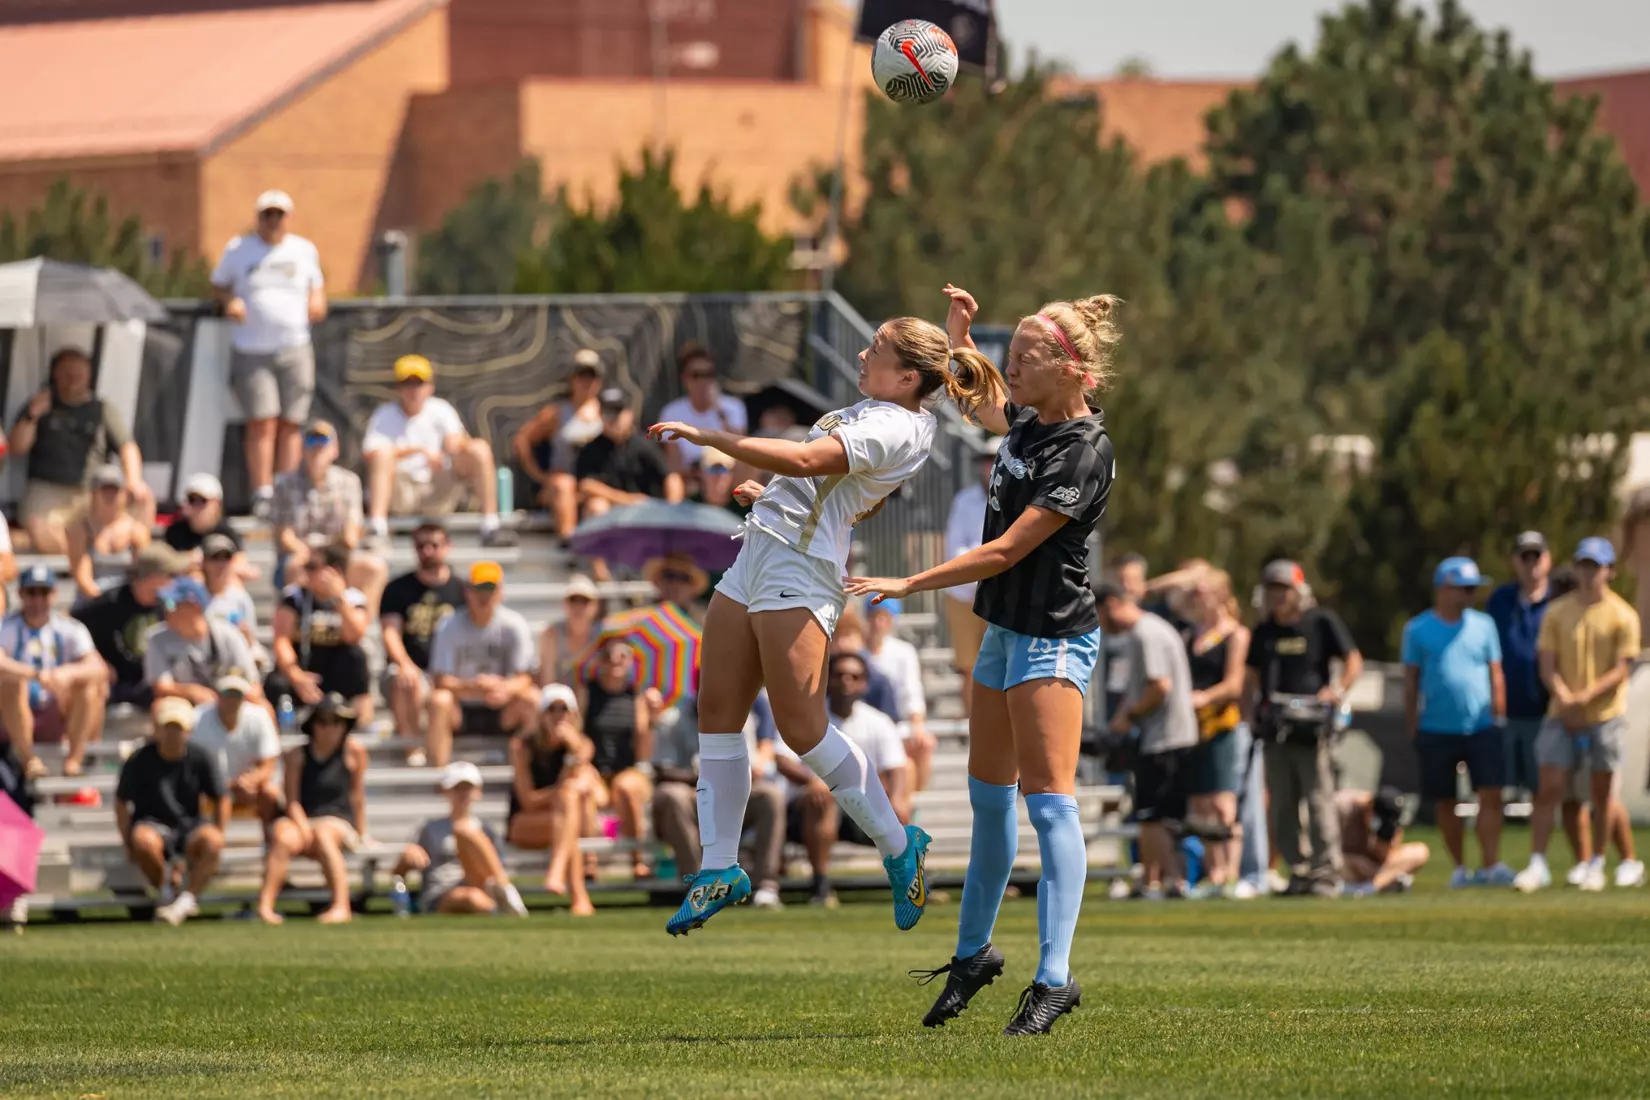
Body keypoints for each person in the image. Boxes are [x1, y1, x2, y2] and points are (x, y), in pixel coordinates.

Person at [648, 298, 1001, 941]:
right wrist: (771, 494)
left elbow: (811, 462)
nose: (863, 354)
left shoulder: (897, 425)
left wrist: (715, 440)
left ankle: (899, 845)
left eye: (877, 350)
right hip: (760, 549)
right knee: (717, 710)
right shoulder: (883, 409)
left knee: (803, 730)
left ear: (906, 379)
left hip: (800, 570)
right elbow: (830, 489)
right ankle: (720, 869)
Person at [847, 284, 1114, 1036]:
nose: (1013, 366)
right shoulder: (1031, 419)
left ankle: (1055, 979)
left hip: (1053, 637)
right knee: (989, 800)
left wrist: (911, 580)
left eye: (1026, 356)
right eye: (1012, 353)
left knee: (1050, 802)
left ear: (1070, 369)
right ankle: (974, 956)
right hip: (1003, 635)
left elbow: (1004, 550)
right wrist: (960, 339)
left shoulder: (1084, 448)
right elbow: (985, 404)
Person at [1516, 537, 1645, 892]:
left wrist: (1585, 697)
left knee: (1602, 794)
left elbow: (1622, 668)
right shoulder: (1558, 612)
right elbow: (1547, 664)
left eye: (1595, 566)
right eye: (1583, 565)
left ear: (1610, 572)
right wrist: (1565, 698)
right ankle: (1538, 863)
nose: (1588, 573)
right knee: (1551, 788)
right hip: (1561, 714)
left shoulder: (1623, 615)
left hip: (1605, 715)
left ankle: (1598, 863)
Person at [1485, 531, 1605, 880]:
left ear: (1548, 560)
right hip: (1509, 713)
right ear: (1515, 562)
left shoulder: (1563, 600)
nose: (1532, 563)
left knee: (1564, 793)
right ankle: (1519, 865)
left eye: (1537, 556)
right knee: (1511, 792)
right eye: (1525, 556)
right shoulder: (1500, 601)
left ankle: (1583, 863)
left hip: (1551, 712)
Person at [1246, 558, 1362, 897]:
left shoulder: (1321, 622)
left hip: (1312, 727)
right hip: (1275, 727)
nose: (1279, 596)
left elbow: (1353, 659)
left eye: (1284, 589)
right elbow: (1250, 678)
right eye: (1272, 590)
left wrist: (1337, 691)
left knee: (1318, 800)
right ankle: (1299, 871)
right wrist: (1249, 714)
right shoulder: (1264, 631)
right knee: (1282, 803)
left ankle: (1326, 872)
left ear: (1299, 591)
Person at [211, 188, 327, 513]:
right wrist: (229, 301)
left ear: (288, 218)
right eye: (267, 215)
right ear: (258, 217)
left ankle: (286, 486)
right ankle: (262, 490)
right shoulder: (238, 249)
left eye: (279, 215)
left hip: (295, 345)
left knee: (292, 421)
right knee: (262, 420)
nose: (273, 221)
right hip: (252, 347)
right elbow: (218, 285)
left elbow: (317, 288)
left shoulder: (303, 250)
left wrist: (317, 300)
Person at [1402, 557, 1512, 888]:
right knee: (1445, 801)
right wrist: (1413, 726)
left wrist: (1498, 716)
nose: (1470, 595)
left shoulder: (1484, 625)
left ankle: (1491, 864)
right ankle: (1460, 868)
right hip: (1436, 728)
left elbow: (1496, 673)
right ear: (1443, 589)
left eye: (1473, 589)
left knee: (1490, 794)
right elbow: (1410, 681)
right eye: (1464, 588)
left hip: (1481, 727)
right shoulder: (1417, 630)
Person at [783, 651, 912, 906]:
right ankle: (820, 886)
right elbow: (781, 758)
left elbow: (896, 767)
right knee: (824, 798)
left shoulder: (878, 722)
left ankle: (908, 883)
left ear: (864, 683)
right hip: (810, 807)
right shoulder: (808, 716)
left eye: (854, 676)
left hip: (861, 807)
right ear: (827, 678)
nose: (846, 682)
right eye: (840, 675)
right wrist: (811, 781)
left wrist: (898, 800)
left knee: (897, 809)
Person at [1098, 580, 1199, 899]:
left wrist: (1131, 716)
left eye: (1098, 614)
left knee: (1152, 815)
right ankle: (1151, 881)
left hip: (1166, 736)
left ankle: (1174, 881)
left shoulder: (1146, 634)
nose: (1099, 623)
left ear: (1112, 603)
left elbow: (1159, 686)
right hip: (1162, 736)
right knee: (1152, 814)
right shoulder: (1146, 631)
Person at [362, 354, 517, 548]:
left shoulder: (441, 410)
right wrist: (419, 451)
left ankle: (491, 526)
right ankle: (377, 529)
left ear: (430, 386)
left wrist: (457, 445)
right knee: (382, 456)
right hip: (402, 492)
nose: (413, 390)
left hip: (437, 487)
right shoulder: (383, 414)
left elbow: (457, 442)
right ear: (398, 387)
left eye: (418, 383)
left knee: (480, 449)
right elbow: (370, 453)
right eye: (407, 383)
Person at [7, 346, 152, 553]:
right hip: (47, 490)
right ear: (54, 375)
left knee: (144, 502)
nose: (73, 379)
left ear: (89, 375)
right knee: (37, 527)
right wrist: (33, 414)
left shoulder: (102, 410)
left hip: (91, 491)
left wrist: (134, 480)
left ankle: (138, 563)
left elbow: (127, 446)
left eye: (79, 373)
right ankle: (81, 558)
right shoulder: (39, 406)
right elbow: (17, 447)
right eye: (67, 373)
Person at [653, 691, 787, 909]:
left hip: (732, 793)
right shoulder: (672, 718)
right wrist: (700, 774)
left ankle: (766, 887)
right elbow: (662, 771)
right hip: (692, 793)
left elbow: (752, 768)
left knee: (770, 795)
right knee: (671, 794)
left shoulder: (742, 716)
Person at [114, 696, 228, 926]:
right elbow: (121, 801)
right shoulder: (140, 759)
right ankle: (166, 890)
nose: (173, 734)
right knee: (143, 840)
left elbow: (221, 797)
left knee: (213, 841)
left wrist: (220, 830)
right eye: (169, 727)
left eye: (178, 728)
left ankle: (187, 900)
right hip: (151, 823)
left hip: (190, 826)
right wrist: (127, 840)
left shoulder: (200, 757)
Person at [256, 693, 367, 924]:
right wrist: (303, 827)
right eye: (323, 721)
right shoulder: (296, 756)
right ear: (313, 725)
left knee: (324, 834)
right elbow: (292, 800)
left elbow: (357, 796)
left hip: (338, 821)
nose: (330, 728)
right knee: (283, 836)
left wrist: (362, 832)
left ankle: (341, 905)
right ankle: (265, 906)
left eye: (337, 722)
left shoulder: (354, 752)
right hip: (303, 819)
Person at [424, 561, 538, 767]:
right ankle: (439, 775)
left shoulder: (514, 625)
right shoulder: (449, 625)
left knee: (532, 699)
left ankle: (533, 774)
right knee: (439, 701)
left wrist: (504, 688)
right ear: (468, 592)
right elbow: (439, 680)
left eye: (490, 589)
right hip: (461, 708)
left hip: (502, 710)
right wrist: (474, 687)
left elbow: (525, 677)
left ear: (501, 592)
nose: (484, 596)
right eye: (479, 589)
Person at [0, 564, 107, 778]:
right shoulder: (6, 627)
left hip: (57, 710)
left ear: (54, 594)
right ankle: (29, 759)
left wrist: (66, 674)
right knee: (10, 683)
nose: (37, 600)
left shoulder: (70, 628)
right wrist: (35, 674)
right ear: (20, 594)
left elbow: (97, 668)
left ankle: (74, 760)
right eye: (31, 593)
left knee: (89, 687)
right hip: (14, 714)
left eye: (44, 592)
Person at [1180, 567, 1250, 892]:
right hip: (1192, 729)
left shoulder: (1234, 633)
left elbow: (1234, 684)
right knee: (1201, 805)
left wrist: (1204, 697)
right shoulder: (1189, 633)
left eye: (1202, 591)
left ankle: (1231, 873)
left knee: (1223, 803)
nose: (1196, 597)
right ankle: (1214, 873)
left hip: (1220, 725)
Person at [270, 419, 385, 610]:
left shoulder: (349, 481)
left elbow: (351, 534)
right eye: (311, 442)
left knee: (374, 567)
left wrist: (331, 556)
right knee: (294, 565)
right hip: (302, 553)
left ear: (335, 449)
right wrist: (312, 556)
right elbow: (284, 536)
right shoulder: (284, 483)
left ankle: (361, 627)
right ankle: (295, 630)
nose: (316, 448)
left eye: (323, 442)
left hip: (336, 554)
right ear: (302, 448)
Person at [393, 761, 529, 917]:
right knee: (471, 896)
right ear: (446, 792)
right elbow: (399, 871)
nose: (463, 794)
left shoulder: (486, 830)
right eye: (457, 788)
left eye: (468, 788)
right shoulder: (429, 829)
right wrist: (408, 855)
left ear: (478, 792)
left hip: (478, 884)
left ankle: (505, 897)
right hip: (442, 892)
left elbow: (495, 867)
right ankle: (506, 906)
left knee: (466, 832)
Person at [506, 683, 596, 916]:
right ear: (541, 714)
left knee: (567, 821)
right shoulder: (522, 746)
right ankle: (578, 896)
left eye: (564, 709)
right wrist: (560, 791)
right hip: (524, 823)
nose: (558, 716)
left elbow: (595, 790)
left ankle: (566, 885)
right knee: (567, 807)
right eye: (551, 709)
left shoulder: (581, 746)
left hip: (560, 824)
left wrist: (574, 751)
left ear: (573, 714)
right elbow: (527, 800)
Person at [266, 541, 372, 725]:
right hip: (303, 665)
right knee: (276, 680)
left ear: (334, 570)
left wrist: (339, 598)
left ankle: (359, 722)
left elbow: (354, 635)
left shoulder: (353, 599)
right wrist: (296, 676)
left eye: (313, 567)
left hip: (336, 668)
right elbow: (281, 640)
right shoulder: (294, 598)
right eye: (307, 567)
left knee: (356, 656)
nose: (307, 572)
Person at [578, 640, 656, 880]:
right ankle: (589, 861)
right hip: (595, 770)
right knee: (584, 789)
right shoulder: (587, 692)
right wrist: (585, 764)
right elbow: (578, 734)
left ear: (630, 662)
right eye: (609, 655)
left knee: (626, 788)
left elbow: (643, 752)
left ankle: (638, 859)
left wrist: (651, 718)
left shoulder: (638, 697)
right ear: (600, 661)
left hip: (627, 770)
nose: (615, 660)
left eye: (622, 655)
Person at [379, 523, 463, 739]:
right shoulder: (397, 588)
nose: (427, 551)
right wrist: (405, 664)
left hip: (450, 671)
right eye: (420, 545)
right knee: (406, 679)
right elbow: (390, 632)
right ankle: (412, 748)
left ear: (448, 546)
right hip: (411, 669)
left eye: (434, 545)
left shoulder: (462, 590)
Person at [512, 349, 606, 537]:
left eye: (592, 376)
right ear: (572, 379)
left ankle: (598, 559)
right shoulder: (556, 413)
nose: (586, 382)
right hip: (558, 486)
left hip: (593, 486)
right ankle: (567, 542)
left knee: (599, 505)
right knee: (564, 484)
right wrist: (540, 476)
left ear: (599, 381)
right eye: (582, 376)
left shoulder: (608, 413)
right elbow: (521, 441)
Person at [74, 544, 179, 709]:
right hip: (115, 683)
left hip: (151, 682)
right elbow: (71, 626)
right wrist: (97, 660)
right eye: (170, 575)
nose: (174, 581)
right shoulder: (110, 602)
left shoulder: (170, 605)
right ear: (151, 577)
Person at [144, 574, 262, 712]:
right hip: (185, 703)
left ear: (195, 607)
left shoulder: (228, 634)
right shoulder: (157, 639)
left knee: (262, 707)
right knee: (161, 708)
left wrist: (228, 701)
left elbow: (253, 683)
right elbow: (161, 687)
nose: (166, 610)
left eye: (171, 603)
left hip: (229, 700)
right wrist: (192, 692)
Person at [942, 443, 996, 717]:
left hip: (999, 596)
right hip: (965, 595)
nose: (988, 466)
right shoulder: (964, 500)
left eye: (994, 460)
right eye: (985, 460)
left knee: (1001, 665)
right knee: (968, 667)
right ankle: (973, 725)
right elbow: (954, 550)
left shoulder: (1018, 500)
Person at [657, 343, 748, 505]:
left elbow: (741, 449)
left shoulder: (732, 408)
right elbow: (674, 463)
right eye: (696, 375)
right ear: (685, 379)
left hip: (725, 472)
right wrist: (699, 474)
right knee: (674, 481)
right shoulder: (671, 412)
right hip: (691, 478)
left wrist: (720, 413)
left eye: (708, 374)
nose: (703, 381)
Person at [575, 387, 684, 520]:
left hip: (649, 512)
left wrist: (671, 511)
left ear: (629, 414)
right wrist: (626, 500)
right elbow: (586, 485)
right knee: (596, 506)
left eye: (617, 412)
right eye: (607, 413)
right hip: (613, 511)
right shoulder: (591, 449)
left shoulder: (645, 445)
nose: (612, 419)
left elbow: (671, 477)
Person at [190, 674, 282, 823]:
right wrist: (219, 787)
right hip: (208, 788)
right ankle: (202, 836)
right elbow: (190, 764)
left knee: (269, 793)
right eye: (227, 693)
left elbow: (268, 764)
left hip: (244, 788)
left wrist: (251, 780)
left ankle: (269, 839)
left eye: (237, 694)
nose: (232, 700)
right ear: (218, 695)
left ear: (244, 698)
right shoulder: (197, 718)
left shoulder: (259, 716)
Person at [864, 597, 933, 792]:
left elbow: (912, 690)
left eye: (883, 617)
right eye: (874, 616)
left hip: (896, 724)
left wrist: (917, 724)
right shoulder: (858, 652)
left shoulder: (904, 651)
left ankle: (913, 798)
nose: (878, 623)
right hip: (866, 726)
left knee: (924, 743)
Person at [67, 464, 151, 603]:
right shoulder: (81, 530)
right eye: (105, 489)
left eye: (115, 490)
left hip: (127, 599)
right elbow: (82, 577)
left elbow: (142, 574)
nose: (110, 495)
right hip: (91, 601)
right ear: (94, 493)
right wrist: (104, 603)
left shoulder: (136, 531)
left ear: (124, 493)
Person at [1338, 788, 1431, 895]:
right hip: (1343, 863)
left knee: (1419, 852)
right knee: (1344, 863)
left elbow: (1387, 854)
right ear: (1369, 807)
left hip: (1373, 869)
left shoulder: (1391, 824)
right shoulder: (1342, 808)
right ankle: (1387, 883)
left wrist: (1381, 849)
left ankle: (1369, 888)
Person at [165, 474, 248, 581]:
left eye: (202, 500)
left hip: (217, 589)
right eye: (192, 500)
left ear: (216, 504)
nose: (196, 506)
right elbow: (164, 565)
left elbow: (245, 569)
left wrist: (204, 563)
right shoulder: (175, 532)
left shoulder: (227, 533)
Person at [201, 533, 262, 665]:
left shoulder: (240, 597)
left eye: (226, 558)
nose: (220, 564)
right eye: (215, 558)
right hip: (201, 660)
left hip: (234, 661)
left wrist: (245, 634)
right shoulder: (193, 597)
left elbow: (252, 640)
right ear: (204, 561)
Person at [537, 573, 602, 689]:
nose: (578, 607)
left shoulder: (601, 634)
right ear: (565, 604)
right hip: (559, 698)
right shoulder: (552, 633)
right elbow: (547, 678)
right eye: (573, 600)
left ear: (595, 606)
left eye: (584, 601)